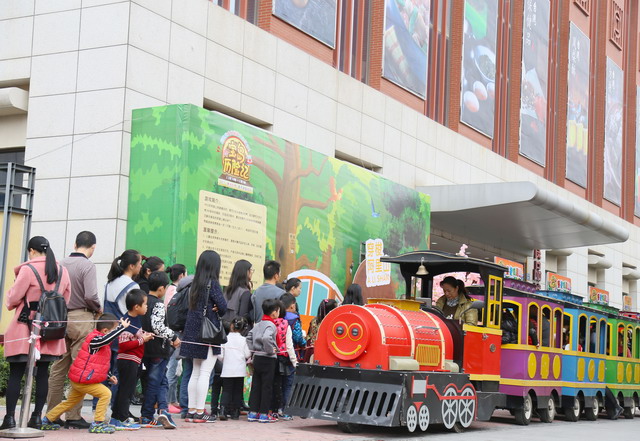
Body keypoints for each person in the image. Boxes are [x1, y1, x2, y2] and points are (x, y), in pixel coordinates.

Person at [2, 236, 71, 430]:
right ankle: (37, 417)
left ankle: (9, 419)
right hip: (51, 329)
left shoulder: (28, 269)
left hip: (25, 327)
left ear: (31, 251)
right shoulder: (62, 271)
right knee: (42, 373)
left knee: (16, 373)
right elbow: (66, 300)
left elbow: (12, 299)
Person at [46, 231, 100, 429]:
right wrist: (98, 308)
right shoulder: (88, 266)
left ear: (75, 244)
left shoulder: (60, 264)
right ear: (93, 247)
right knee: (80, 368)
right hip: (81, 318)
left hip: (60, 317)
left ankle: (52, 414)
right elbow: (90, 296)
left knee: (58, 368)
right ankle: (73, 415)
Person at [40, 314, 128, 434]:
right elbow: (106, 339)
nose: (114, 336)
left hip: (81, 379)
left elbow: (97, 364)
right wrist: (121, 328)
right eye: (113, 331)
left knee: (70, 402)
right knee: (106, 393)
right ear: (105, 331)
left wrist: (108, 376)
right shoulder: (95, 340)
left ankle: (47, 420)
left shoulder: (101, 343)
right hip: (83, 381)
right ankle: (98, 424)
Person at [180, 250, 227, 423]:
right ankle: (200, 412)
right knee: (205, 373)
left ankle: (191, 411)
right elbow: (223, 306)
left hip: (192, 331)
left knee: (195, 372)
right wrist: (217, 307)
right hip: (207, 333)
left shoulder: (194, 284)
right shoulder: (212, 283)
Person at [140, 271, 180, 429]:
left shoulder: (143, 300)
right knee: (154, 382)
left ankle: (163, 410)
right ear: (162, 288)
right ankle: (147, 415)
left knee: (161, 380)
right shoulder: (157, 303)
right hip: (158, 349)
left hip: (145, 347)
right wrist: (173, 337)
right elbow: (157, 326)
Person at [109, 289, 153, 430]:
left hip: (133, 360)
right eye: (145, 304)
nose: (147, 306)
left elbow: (134, 337)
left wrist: (144, 336)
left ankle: (116, 417)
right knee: (125, 391)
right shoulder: (127, 321)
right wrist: (142, 340)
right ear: (136, 307)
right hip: (127, 361)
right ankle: (121, 418)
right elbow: (123, 345)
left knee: (126, 389)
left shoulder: (136, 319)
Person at [247, 298, 280, 423]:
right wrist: (270, 350)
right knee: (267, 386)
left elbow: (249, 336)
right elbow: (266, 338)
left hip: (257, 358)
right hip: (268, 359)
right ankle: (264, 414)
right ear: (274, 312)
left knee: (256, 385)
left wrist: (254, 349)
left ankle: (253, 412)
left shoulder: (259, 324)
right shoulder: (271, 325)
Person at [163, 264, 187, 413]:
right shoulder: (175, 290)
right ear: (181, 276)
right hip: (175, 332)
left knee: (174, 365)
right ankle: (167, 401)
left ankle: (172, 399)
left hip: (172, 330)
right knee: (172, 366)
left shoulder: (169, 289)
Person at [218, 317, 251, 421]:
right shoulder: (244, 340)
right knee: (237, 391)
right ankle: (235, 412)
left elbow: (220, 355)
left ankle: (223, 410)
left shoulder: (225, 339)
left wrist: (225, 360)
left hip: (227, 369)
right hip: (239, 370)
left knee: (226, 390)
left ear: (231, 325)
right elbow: (247, 354)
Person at [222, 259, 254, 326]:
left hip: (224, 328)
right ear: (245, 272)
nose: (251, 272)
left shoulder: (227, 290)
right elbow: (243, 317)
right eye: (250, 270)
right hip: (237, 329)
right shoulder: (245, 292)